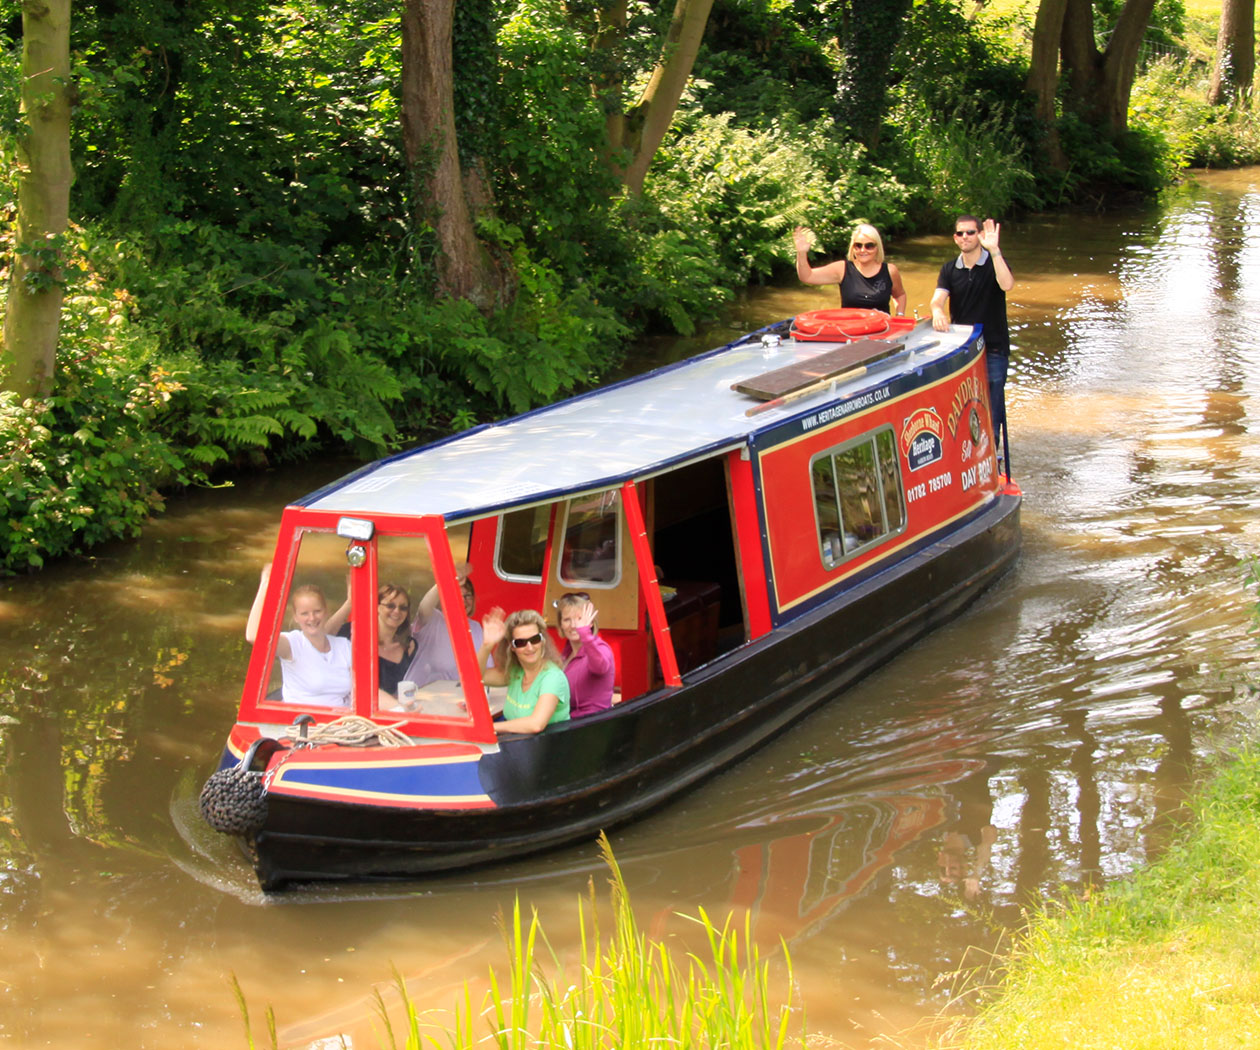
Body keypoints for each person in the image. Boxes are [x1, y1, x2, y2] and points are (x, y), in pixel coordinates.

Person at [930, 215, 1015, 446]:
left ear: (979, 235)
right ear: (955, 238)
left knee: (993, 405)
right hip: (964, 350)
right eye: (960, 233)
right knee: (963, 404)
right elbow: (938, 300)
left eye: (970, 232)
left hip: (994, 347)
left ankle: (993, 455)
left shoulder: (994, 263)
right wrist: (937, 312)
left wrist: (995, 251)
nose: (965, 237)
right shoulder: (949, 269)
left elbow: (1007, 284)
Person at [245, 565, 352, 707]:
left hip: (343, 723)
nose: (312, 618)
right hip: (303, 724)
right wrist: (266, 584)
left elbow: (325, 633)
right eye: (304, 614)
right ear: (295, 617)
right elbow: (254, 637)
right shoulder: (292, 644)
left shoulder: (343, 645)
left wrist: (351, 602)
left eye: (317, 611)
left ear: (326, 611)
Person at [478, 608, 570, 735]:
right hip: (519, 745)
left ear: (543, 641)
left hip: (548, 750)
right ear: (512, 647)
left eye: (535, 639)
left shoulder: (553, 677)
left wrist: (490, 726)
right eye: (521, 642)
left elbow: (536, 724)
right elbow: (477, 677)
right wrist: (487, 645)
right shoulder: (516, 672)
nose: (530, 647)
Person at [325, 581, 418, 699]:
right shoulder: (353, 632)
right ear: (377, 607)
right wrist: (349, 604)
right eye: (390, 606)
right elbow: (323, 639)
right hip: (353, 709)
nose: (397, 611)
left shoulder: (409, 646)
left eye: (403, 608)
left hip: (393, 710)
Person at [793, 223, 907, 316]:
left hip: (882, 330)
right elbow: (807, 276)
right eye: (858, 245)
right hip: (850, 331)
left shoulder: (890, 271)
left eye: (869, 246)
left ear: (877, 248)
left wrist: (900, 315)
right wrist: (801, 252)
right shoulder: (842, 269)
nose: (863, 250)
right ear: (853, 247)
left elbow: (899, 295)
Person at [405, 562, 484, 688]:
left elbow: (485, 670)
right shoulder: (434, 620)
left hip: (458, 697)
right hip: (420, 696)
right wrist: (445, 580)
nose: (463, 600)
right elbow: (423, 608)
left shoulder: (476, 628)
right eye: (457, 595)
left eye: (467, 596)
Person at [555, 592, 615, 717]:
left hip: (591, 723)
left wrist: (585, 634)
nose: (573, 625)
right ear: (560, 624)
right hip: (567, 719)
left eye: (579, 619)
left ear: (591, 623)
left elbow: (600, 666)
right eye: (567, 620)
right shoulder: (567, 653)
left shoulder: (600, 648)